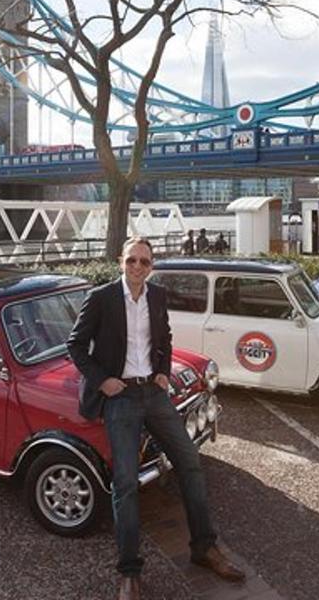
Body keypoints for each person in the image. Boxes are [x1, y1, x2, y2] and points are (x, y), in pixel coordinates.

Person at [67, 236, 245, 599]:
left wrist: (163, 369)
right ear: (121, 261)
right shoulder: (101, 298)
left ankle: (204, 548)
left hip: (153, 392)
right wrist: (103, 382)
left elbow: (164, 335)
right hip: (121, 398)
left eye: (144, 262)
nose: (137, 268)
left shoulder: (157, 296)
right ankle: (129, 572)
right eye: (131, 260)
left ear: (152, 266)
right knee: (127, 483)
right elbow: (75, 345)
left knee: (190, 463)